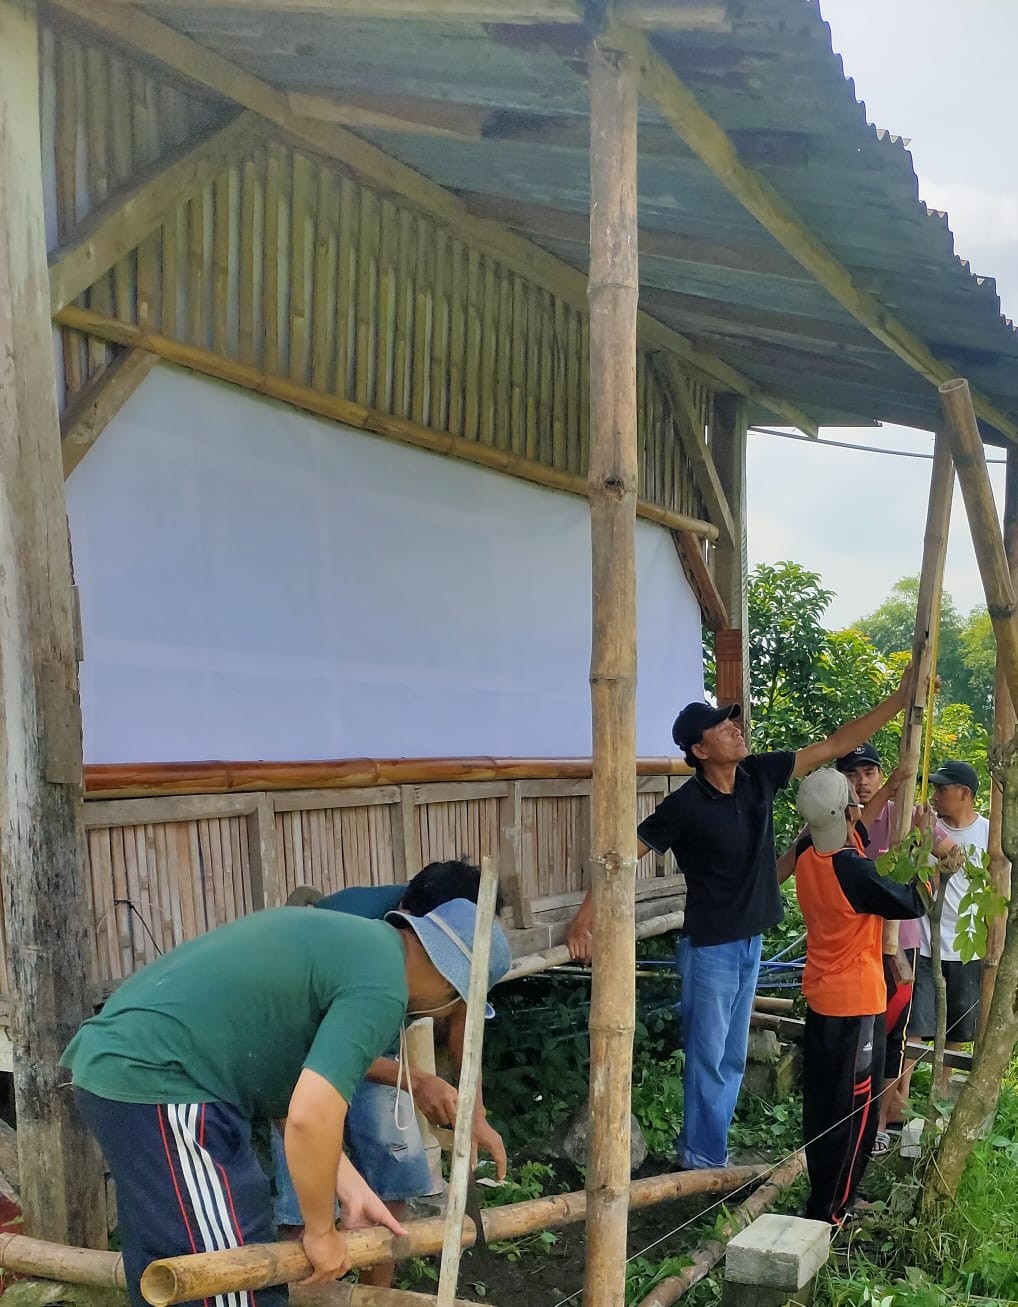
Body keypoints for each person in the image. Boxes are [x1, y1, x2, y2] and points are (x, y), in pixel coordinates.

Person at [61, 900, 511, 1307]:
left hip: (141, 1073)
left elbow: (286, 1086)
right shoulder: (383, 986)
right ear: (453, 985)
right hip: (166, 1080)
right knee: (231, 1283)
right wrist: (320, 1232)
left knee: (180, 1272)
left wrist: (351, 1190)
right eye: (457, 1006)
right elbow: (311, 1116)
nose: (442, 1014)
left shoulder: (356, 946)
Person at [565, 668, 911, 1170]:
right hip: (710, 948)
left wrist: (898, 701)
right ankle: (704, 1161)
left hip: (750, 941)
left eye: (733, 722)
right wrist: (584, 921)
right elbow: (622, 855)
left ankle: (708, 1154)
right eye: (722, 726)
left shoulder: (759, 776)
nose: (736, 727)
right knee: (709, 1058)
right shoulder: (684, 806)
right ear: (699, 751)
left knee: (729, 1057)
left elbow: (837, 743)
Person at [274, 860, 507, 1289]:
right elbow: (310, 1054)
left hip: (374, 1031)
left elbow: (464, 1015)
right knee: (303, 1194)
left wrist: (474, 1110)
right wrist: (415, 1080)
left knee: (394, 1167)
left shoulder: (454, 923)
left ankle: (373, 1297)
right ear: (419, 931)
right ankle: (304, 1293)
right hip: (302, 1043)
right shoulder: (350, 928)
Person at [793, 768, 925, 1224]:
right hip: (855, 1003)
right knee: (854, 1113)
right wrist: (924, 855)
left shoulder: (808, 852)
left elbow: (855, 830)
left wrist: (891, 787)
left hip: (824, 999)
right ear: (847, 810)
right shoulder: (852, 867)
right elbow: (912, 901)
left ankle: (828, 1197)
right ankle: (833, 1210)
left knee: (827, 1105)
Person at [834, 744, 923, 1154]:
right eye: (854, 774)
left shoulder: (902, 814)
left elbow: (940, 850)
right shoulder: (832, 826)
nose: (863, 781)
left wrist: (927, 843)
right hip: (850, 953)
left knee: (890, 1039)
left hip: (898, 948)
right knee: (856, 1041)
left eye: (870, 772)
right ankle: (849, 1124)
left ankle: (881, 1123)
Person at [910, 760, 989, 1096]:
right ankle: (898, 1100)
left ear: (965, 793)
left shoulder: (989, 833)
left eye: (942, 789)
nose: (936, 796)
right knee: (914, 1028)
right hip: (926, 944)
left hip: (969, 946)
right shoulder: (923, 827)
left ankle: (939, 1099)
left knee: (957, 1032)